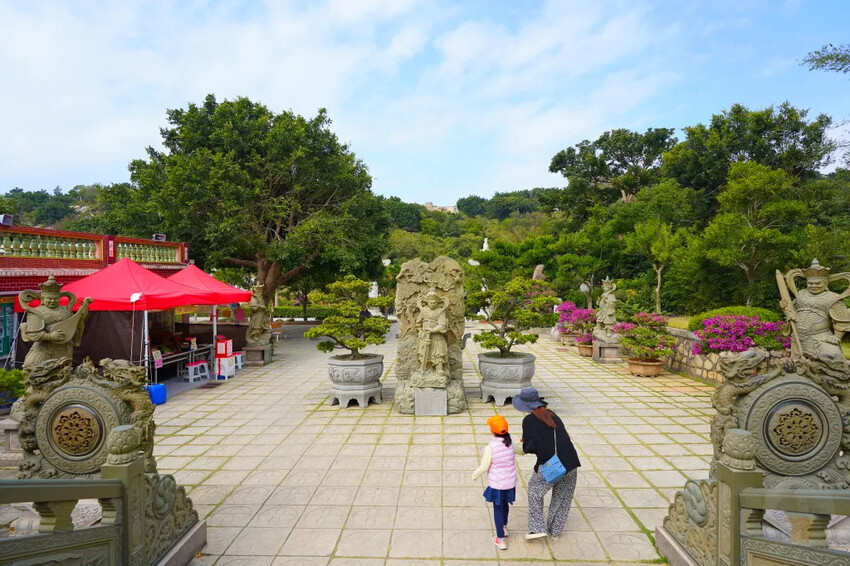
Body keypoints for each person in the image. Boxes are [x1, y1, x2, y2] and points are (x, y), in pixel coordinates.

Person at [512, 387, 581, 540]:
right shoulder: (553, 416)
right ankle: (555, 531)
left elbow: (530, 447)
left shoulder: (529, 420)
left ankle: (537, 528)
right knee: (562, 497)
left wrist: (523, 444)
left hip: (552, 465)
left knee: (535, 492)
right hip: (571, 463)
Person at [472, 415, 520, 550]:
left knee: (497, 509)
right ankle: (504, 527)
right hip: (510, 483)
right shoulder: (510, 443)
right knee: (505, 505)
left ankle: (500, 539)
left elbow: (484, 466)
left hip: (497, 484)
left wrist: (474, 475)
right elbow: (520, 450)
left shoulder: (491, 447)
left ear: (492, 431)